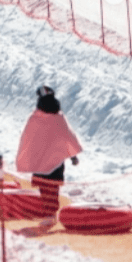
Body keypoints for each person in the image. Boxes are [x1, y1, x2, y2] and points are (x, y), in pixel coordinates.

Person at [15, 86, 83, 226]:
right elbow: (67, 136)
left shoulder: (34, 118)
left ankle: (49, 213)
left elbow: (27, 138)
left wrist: (26, 155)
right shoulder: (59, 117)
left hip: (40, 160)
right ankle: (51, 212)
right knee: (53, 188)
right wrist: (72, 156)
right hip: (56, 160)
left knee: (44, 188)